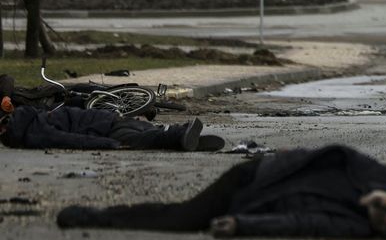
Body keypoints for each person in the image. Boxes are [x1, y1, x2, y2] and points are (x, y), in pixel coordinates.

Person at [55, 145, 386, 240]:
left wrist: (242, 224)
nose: (377, 209)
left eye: (382, 218)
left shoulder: (355, 225)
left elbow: (298, 223)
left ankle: (98, 217)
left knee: (183, 219)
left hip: (253, 199)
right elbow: (341, 152)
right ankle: (95, 217)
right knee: (182, 218)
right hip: (257, 175)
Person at [0, 78, 221, 152]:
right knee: (144, 131)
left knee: (141, 138)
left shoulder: (27, 131)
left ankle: (178, 136)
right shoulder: (29, 116)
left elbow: (68, 139)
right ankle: (184, 137)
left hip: (101, 128)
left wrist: (105, 144)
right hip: (101, 119)